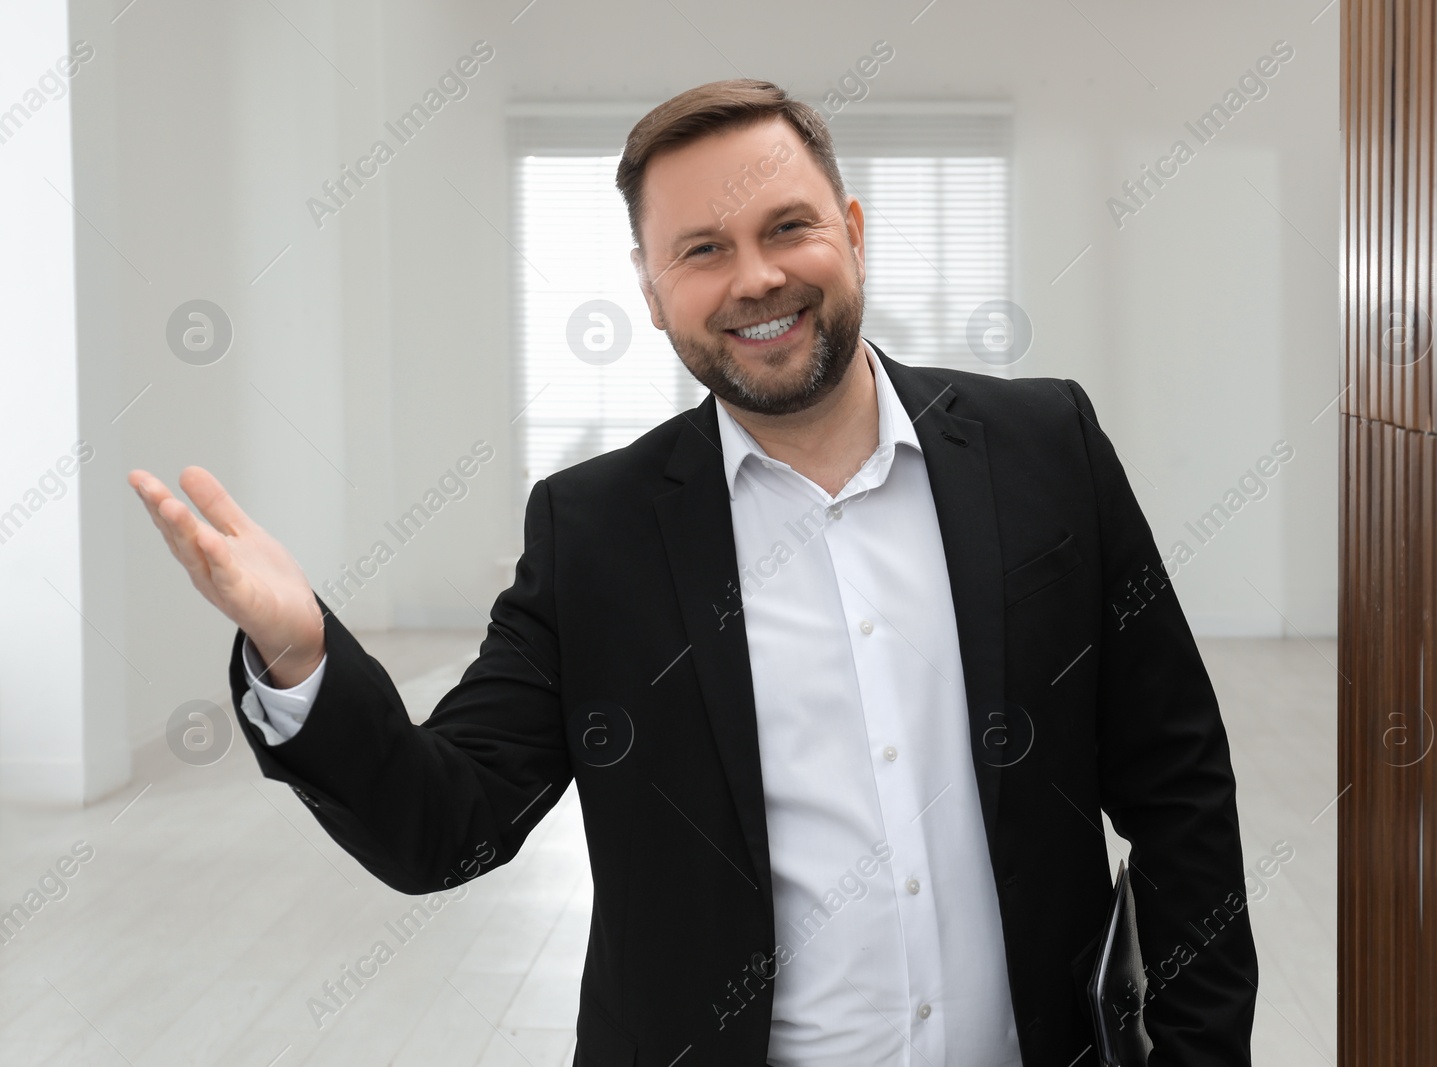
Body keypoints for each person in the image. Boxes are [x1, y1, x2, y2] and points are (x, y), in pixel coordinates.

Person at [129, 78, 1256, 1067]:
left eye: (788, 227)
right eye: (702, 249)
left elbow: (1178, 787)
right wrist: (300, 650)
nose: (756, 278)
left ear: (852, 231)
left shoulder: (1041, 447)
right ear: (651, 285)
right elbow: (448, 823)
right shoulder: (597, 530)